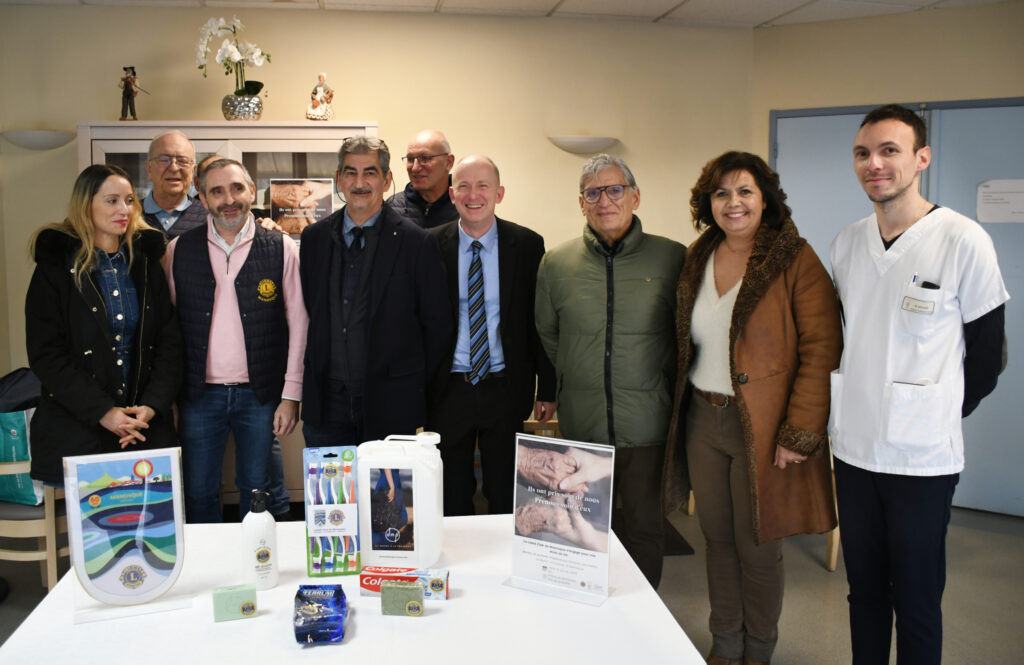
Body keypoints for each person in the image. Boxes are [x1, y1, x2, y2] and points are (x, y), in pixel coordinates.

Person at [830, 104, 1009, 665]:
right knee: (863, 593)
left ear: (921, 159)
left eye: (889, 151)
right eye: (863, 153)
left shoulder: (962, 239)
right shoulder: (847, 243)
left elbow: (987, 356)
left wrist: (932, 411)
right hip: (855, 450)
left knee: (916, 597)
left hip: (923, 461)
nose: (874, 164)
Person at [663, 151, 842, 665]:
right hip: (703, 419)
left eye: (745, 191)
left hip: (764, 429)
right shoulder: (699, 254)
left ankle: (759, 651)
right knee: (717, 540)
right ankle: (727, 644)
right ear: (708, 203)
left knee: (758, 546)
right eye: (721, 193)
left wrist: (799, 431)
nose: (733, 203)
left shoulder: (794, 259)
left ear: (766, 199)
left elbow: (822, 348)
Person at [535, 153, 685, 587]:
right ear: (581, 203)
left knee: (643, 530)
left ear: (635, 196)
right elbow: (549, 335)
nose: (605, 200)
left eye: (615, 189)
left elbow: (683, 338)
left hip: (647, 426)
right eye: (593, 192)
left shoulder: (672, 258)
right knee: (584, 529)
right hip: (584, 429)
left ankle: (641, 625)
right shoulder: (556, 264)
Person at [165, 158, 307, 523]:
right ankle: (209, 571)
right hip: (198, 395)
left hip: (259, 395)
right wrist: (169, 397)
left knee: (257, 489)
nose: (229, 199)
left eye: (237, 189)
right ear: (202, 197)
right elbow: (168, 331)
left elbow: (299, 323)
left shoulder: (281, 247)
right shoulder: (178, 250)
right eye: (216, 191)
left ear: (250, 192)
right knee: (197, 491)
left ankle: (256, 570)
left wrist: (290, 396)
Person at [26, 164, 182, 486]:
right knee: (97, 534)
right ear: (86, 206)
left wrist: (150, 407)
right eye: (112, 201)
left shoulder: (146, 264)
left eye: (129, 200)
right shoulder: (55, 269)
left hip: (144, 430)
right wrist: (105, 412)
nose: (124, 210)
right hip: (79, 429)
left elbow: (169, 343)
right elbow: (47, 355)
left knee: (153, 533)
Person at [300, 136, 451, 446]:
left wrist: (411, 387)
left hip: (392, 405)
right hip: (327, 405)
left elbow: (437, 329)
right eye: (350, 172)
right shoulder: (314, 239)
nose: (359, 182)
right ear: (339, 178)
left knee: (388, 496)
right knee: (335, 496)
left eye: (370, 172)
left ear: (386, 180)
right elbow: (308, 312)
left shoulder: (417, 243)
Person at [427, 155, 555, 516]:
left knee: (505, 490)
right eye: (464, 186)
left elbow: (539, 322)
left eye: (483, 186)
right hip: (448, 388)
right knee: (451, 491)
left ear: (499, 192)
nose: (473, 194)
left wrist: (546, 387)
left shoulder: (527, 244)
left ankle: (502, 565)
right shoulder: (430, 245)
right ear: (452, 195)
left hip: (506, 386)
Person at [387, 130, 458, 229]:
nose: (415, 168)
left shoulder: (464, 205)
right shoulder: (393, 208)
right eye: (410, 159)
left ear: (448, 162)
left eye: (425, 158)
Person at [142, 131, 207, 238]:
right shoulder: (130, 216)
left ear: (193, 171)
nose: (173, 168)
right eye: (164, 160)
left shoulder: (209, 218)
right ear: (149, 169)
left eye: (182, 160)